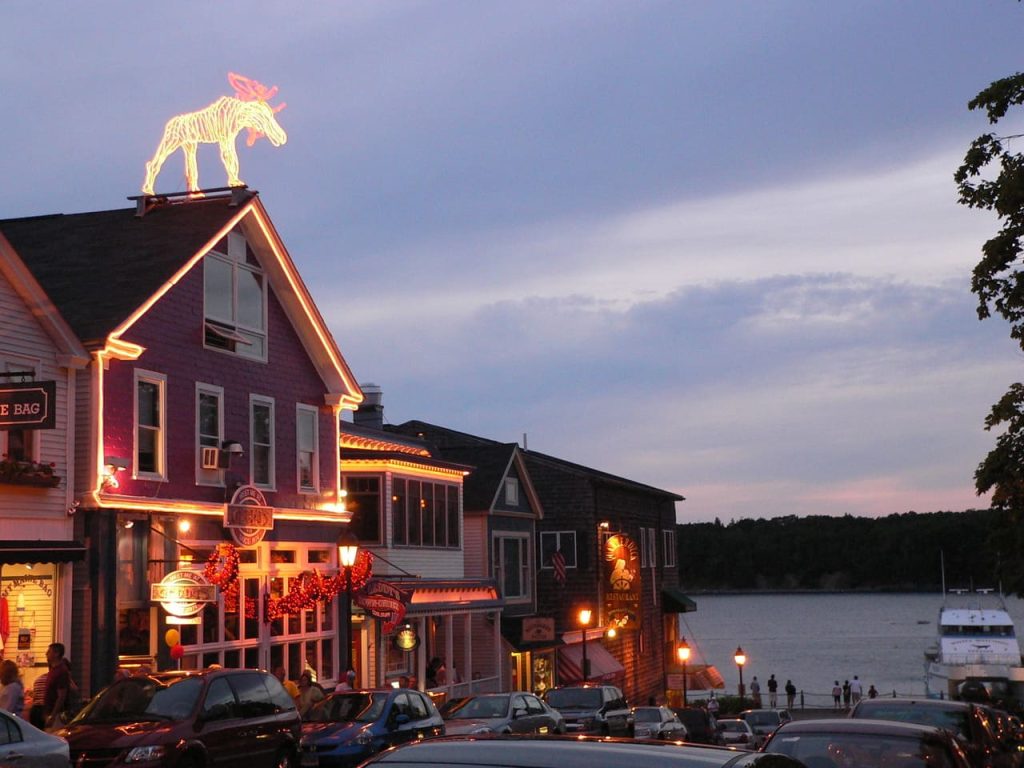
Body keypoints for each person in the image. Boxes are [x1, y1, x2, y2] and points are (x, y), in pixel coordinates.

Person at [43, 642, 71, 731]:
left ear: (56, 654)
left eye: (49, 651)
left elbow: (61, 696)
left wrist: (53, 715)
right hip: (49, 712)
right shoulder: (53, 670)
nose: (46, 654)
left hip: (56, 715)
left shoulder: (61, 671)